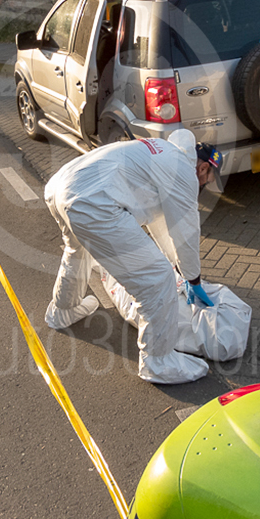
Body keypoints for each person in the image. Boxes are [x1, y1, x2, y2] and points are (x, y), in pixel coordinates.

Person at [42, 129, 223, 384]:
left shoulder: (164, 151)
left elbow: (161, 224)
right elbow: (185, 232)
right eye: (210, 178)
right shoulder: (184, 172)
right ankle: (158, 362)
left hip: (61, 186)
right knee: (157, 280)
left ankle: (62, 310)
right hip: (92, 201)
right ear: (203, 168)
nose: (206, 184)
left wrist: (179, 267)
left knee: (77, 252)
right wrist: (193, 279)